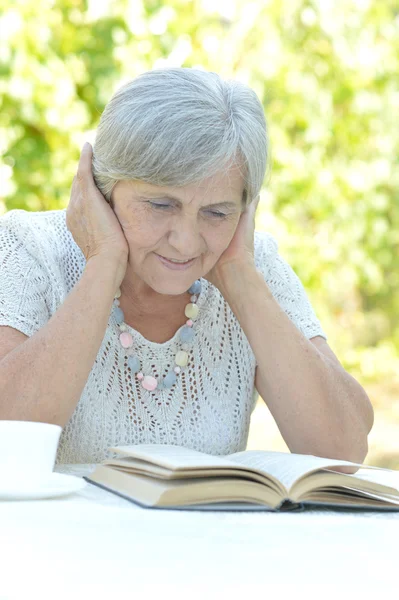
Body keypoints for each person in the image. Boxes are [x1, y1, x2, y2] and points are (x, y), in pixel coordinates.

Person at [0, 68, 373, 464]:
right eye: (161, 205)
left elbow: (342, 450)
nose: (186, 242)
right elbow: (8, 436)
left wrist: (240, 277)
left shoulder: (251, 262)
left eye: (216, 212)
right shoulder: (30, 249)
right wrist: (103, 261)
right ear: (100, 186)